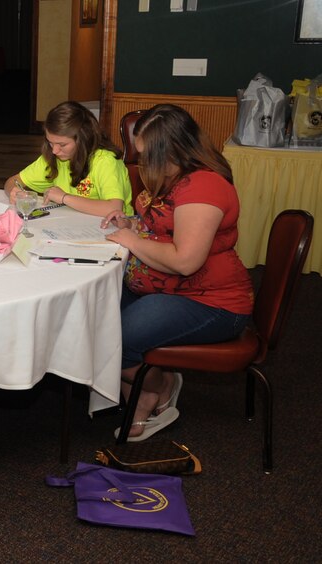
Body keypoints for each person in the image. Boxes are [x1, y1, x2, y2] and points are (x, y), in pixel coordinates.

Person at [101, 104, 254, 441]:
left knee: (117, 337)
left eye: (145, 157)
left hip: (211, 302)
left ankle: (154, 389)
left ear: (170, 152)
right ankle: (151, 378)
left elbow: (185, 261)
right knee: (97, 317)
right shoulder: (173, 175)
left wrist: (129, 239)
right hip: (166, 288)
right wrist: (134, 224)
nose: (140, 164)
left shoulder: (204, 187)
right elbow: (163, 224)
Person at [3, 101, 133, 217]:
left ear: (83, 139)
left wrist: (64, 197)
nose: (54, 150)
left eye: (62, 144)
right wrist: (13, 192)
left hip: (114, 229)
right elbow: (12, 181)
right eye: (50, 142)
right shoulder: (54, 156)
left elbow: (115, 208)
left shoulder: (105, 161)